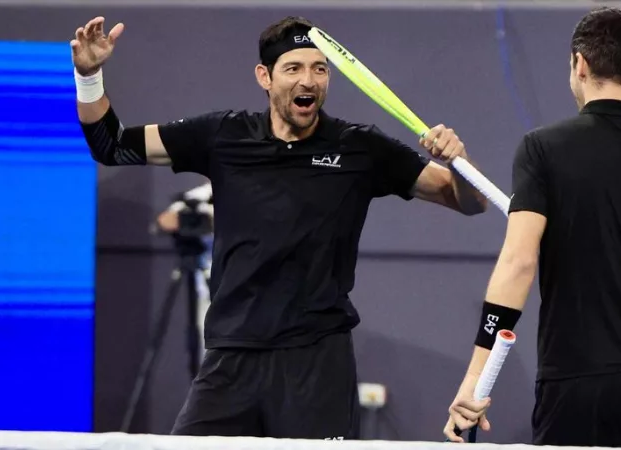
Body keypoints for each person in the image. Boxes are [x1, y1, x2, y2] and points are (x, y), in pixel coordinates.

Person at [71, 15, 488, 439]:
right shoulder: (223, 135)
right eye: (294, 68)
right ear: (264, 77)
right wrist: (88, 74)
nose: (309, 80)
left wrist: (460, 163)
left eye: (320, 68)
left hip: (317, 362)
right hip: (231, 359)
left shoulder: (359, 146)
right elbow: (112, 146)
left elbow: (467, 202)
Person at [443, 7, 621, 449]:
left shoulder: (542, 149)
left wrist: (475, 378)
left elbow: (519, 263)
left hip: (579, 384)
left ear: (578, 64)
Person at [156, 182, 214, 360]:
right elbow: (165, 221)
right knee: (210, 349)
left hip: (254, 287)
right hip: (210, 285)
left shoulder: (256, 190)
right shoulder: (200, 196)